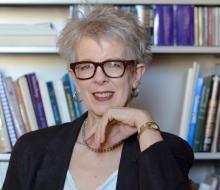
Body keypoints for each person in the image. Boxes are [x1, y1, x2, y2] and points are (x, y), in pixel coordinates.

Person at [3, 6, 194, 190]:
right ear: (75, 79)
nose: (99, 78)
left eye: (113, 64)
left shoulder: (168, 150)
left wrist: (143, 121)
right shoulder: (30, 149)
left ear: (135, 75)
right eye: (86, 66)